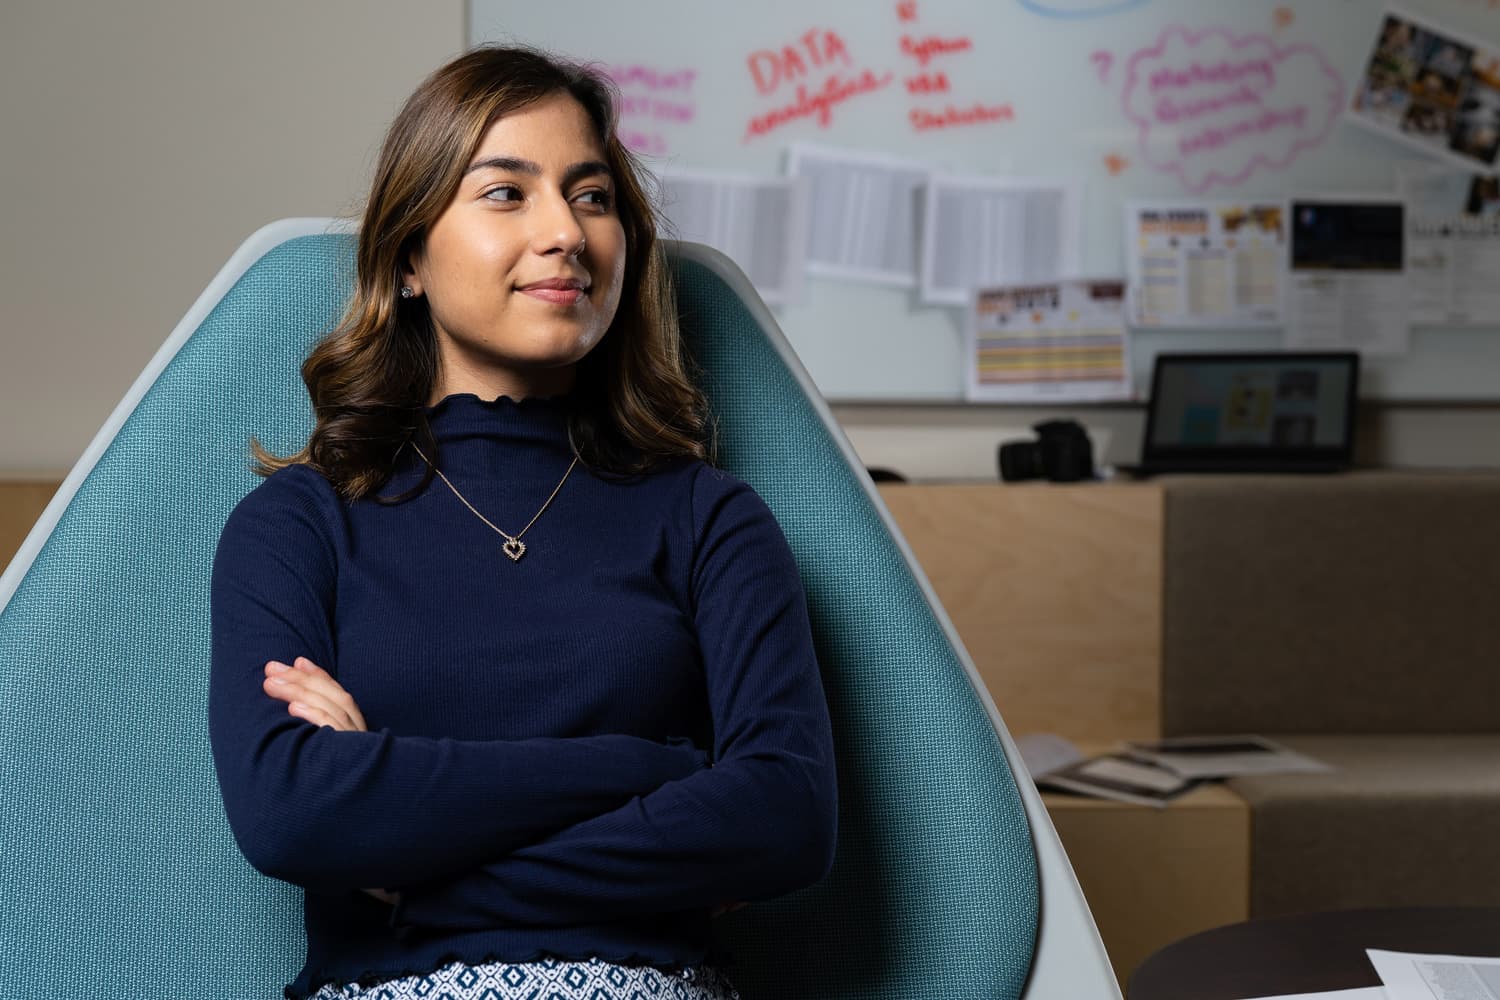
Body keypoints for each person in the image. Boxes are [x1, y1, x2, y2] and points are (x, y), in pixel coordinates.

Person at [208, 45, 838, 1000]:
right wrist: (652, 767)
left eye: (592, 196)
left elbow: (787, 817)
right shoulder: (298, 526)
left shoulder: (712, 519)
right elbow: (291, 816)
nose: (567, 235)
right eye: (506, 193)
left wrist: (413, 874)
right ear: (409, 256)